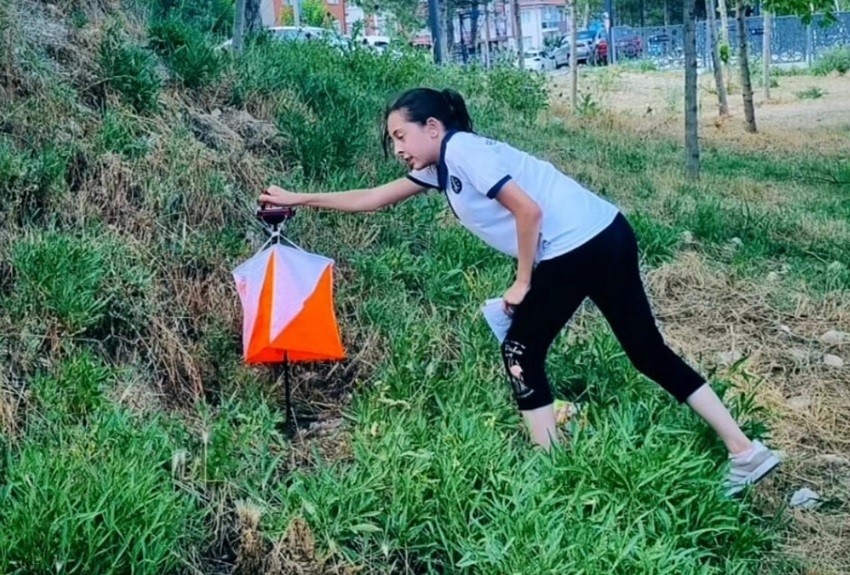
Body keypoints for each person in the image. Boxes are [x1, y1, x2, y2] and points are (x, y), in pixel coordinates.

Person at [258, 87, 780, 496]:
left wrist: (524, 281)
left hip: (575, 245)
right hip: (607, 232)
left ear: (433, 127)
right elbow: (373, 198)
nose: (396, 148)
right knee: (646, 351)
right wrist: (301, 198)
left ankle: (550, 469)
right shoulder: (443, 166)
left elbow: (527, 211)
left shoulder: (462, 151)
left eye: (400, 136)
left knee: (520, 349)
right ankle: (743, 450)